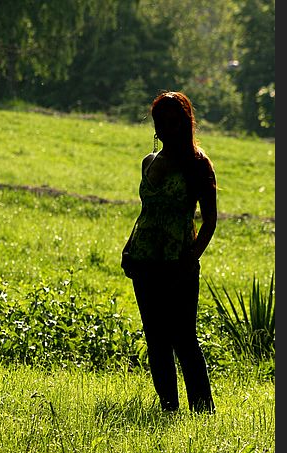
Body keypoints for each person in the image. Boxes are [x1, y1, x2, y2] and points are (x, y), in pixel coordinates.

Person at [121, 91, 217, 413]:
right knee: (156, 340)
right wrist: (128, 247)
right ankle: (168, 408)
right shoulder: (148, 162)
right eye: (161, 122)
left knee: (185, 340)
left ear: (185, 124)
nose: (166, 129)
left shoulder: (198, 164)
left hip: (178, 263)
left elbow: (210, 221)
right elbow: (147, 212)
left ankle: (203, 411)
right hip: (144, 259)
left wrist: (190, 259)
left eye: (174, 122)